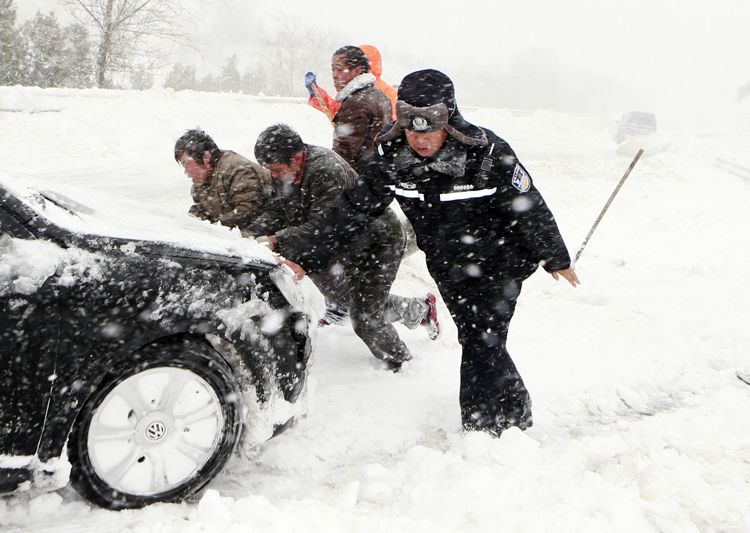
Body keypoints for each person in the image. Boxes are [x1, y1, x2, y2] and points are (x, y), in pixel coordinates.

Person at [279, 69, 580, 437]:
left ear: (449, 120)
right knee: (478, 340)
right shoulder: (392, 158)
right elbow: (353, 210)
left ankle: (485, 427)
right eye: (412, 130)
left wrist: (555, 256)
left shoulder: (486, 154)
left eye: (430, 130)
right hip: (449, 265)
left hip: (501, 259)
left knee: (481, 338)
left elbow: (527, 203)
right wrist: (306, 255)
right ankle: (513, 413)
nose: (421, 140)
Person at [247, 124, 440, 370]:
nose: (273, 175)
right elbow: (277, 211)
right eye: (270, 170)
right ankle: (418, 310)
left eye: (276, 170)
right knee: (347, 297)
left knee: (365, 316)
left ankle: (399, 361)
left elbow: (324, 227)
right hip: (340, 243)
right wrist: (250, 234)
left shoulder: (327, 171)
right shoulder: (285, 172)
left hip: (378, 243)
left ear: (296, 158)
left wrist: (277, 240)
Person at [174, 129, 269, 229]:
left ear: (206, 157)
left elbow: (248, 211)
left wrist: (216, 227)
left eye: (186, 163)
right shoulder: (202, 181)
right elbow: (205, 210)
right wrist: (191, 220)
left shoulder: (235, 169)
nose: (186, 172)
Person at [304, 44, 397, 121]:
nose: (334, 75)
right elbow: (338, 111)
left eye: (340, 68)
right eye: (333, 69)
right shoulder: (354, 90)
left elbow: (390, 125)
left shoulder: (383, 92)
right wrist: (317, 94)